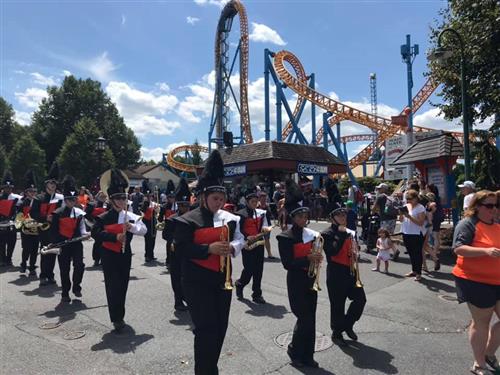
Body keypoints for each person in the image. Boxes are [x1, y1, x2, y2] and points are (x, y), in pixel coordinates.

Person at [173, 150, 244, 375]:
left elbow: (239, 239)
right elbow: (181, 250)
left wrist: (234, 247)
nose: (219, 203)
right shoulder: (186, 220)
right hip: (196, 282)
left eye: (222, 199)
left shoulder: (229, 219)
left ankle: (210, 367)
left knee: (220, 329)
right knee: (205, 330)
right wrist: (208, 249)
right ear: (203, 197)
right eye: (215, 199)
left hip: (222, 281)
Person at [91, 169, 147, 332]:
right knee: (112, 286)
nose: (122, 201)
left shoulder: (130, 215)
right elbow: (96, 233)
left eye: (124, 198)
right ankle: (116, 318)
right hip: (109, 254)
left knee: (122, 285)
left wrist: (132, 227)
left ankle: (120, 314)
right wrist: (114, 237)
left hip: (125, 255)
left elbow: (143, 230)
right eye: (119, 198)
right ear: (112, 200)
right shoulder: (104, 217)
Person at [452, 190, 500, 375]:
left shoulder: (496, 224)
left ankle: (488, 354)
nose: (494, 209)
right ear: (477, 207)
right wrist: (486, 252)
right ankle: (479, 364)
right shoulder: (468, 224)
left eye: (496, 205)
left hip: (497, 280)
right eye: (489, 206)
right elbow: (458, 249)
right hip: (474, 280)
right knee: (482, 323)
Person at [276, 179, 322, 369]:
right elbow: (287, 264)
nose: (304, 219)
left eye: (305, 215)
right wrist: (308, 259)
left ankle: (307, 354)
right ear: (293, 217)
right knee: (304, 318)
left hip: (310, 279)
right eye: (300, 216)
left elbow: (315, 255)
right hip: (295, 281)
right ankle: (295, 351)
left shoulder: (311, 235)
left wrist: (317, 258)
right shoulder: (284, 237)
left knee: (310, 319)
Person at [321, 207, 366, 347]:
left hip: (350, 271)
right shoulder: (326, 233)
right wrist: (340, 235)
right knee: (337, 305)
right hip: (336, 272)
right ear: (332, 218)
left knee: (360, 299)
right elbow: (332, 251)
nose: (343, 218)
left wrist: (355, 252)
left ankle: (347, 325)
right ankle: (337, 332)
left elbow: (352, 248)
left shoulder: (349, 232)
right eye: (339, 215)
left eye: (344, 215)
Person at [50, 175, 88, 303]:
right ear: (65, 200)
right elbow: (54, 231)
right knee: (64, 269)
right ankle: (65, 292)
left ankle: (76, 286)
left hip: (76, 243)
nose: (72, 202)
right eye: (69, 200)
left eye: (74, 199)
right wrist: (56, 244)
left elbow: (82, 227)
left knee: (79, 265)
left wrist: (85, 234)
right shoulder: (57, 213)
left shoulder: (79, 213)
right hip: (63, 244)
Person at [235, 188, 273, 304]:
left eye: (256, 201)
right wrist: (247, 237)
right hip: (247, 244)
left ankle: (257, 294)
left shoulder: (261, 213)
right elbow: (237, 230)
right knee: (249, 269)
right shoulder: (240, 214)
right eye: (252, 201)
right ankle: (240, 284)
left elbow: (266, 225)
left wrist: (266, 230)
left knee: (258, 270)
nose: (255, 203)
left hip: (259, 243)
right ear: (247, 202)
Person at [30, 162, 64, 286]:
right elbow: (33, 213)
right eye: (51, 183)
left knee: (54, 251)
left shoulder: (60, 199)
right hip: (44, 229)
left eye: (55, 183)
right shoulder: (39, 198)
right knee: (45, 251)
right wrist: (45, 217)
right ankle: (43, 275)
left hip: (56, 229)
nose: (53, 185)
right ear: (46, 184)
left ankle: (50, 275)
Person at [162, 178, 191, 311]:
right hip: (175, 251)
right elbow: (165, 235)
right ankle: (178, 301)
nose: (184, 208)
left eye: (186, 205)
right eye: (182, 205)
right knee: (176, 276)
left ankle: (188, 297)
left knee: (189, 276)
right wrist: (174, 239)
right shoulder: (171, 220)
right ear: (178, 205)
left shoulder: (195, 219)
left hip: (191, 251)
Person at [400, 189, 426, 281]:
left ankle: (418, 273)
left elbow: (421, 223)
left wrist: (409, 217)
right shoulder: (406, 206)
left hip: (416, 233)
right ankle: (414, 270)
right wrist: (401, 215)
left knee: (417, 253)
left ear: (416, 198)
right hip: (406, 232)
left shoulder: (420, 208)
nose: (408, 201)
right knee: (411, 253)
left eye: (410, 199)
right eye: (407, 199)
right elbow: (401, 220)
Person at [19, 170, 39, 276]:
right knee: (26, 248)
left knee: (35, 249)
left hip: (36, 229)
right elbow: (18, 215)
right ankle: (23, 263)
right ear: (26, 192)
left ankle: (32, 266)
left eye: (34, 191)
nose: (33, 193)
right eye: (30, 191)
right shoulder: (22, 202)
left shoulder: (38, 202)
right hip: (25, 229)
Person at [0, 170, 22, 267]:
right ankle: (2, 259)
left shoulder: (17, 198)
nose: (8, 189)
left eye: (9, 187)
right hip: (1, 224)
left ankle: (9, 259)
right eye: (6, 187)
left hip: (12, 224)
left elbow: (21, 209)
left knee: (11, 242)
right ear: (3, 188)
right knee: (1, 243)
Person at [84, 191, 108, 267]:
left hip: (106, 227)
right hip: (96, 227)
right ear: (98, 196)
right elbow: (86, 214)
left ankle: (104, 259)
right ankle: (96, 260)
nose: (103, 198)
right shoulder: (92, 204)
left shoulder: (108, 205)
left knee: (105, 244)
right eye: (101, 196)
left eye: (104, 196)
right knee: (98, 243)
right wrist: (93, 220)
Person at [159, 180, 177, 269]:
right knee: (169, 245)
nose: (172, 199)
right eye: (170, 197)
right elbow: (160, 219)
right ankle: (168, 261)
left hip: (177, 228)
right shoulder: (164, 206)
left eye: (173, 197)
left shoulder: (178, 206)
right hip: (168, 228)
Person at [141, 190, 160, 263]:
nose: (149, 198)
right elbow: (143, 210)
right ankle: (147, 255)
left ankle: (151, 255)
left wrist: (157, 209)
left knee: (153, 239)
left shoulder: (154, 204)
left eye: (150, 197)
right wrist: (146, 203)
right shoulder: (145, 204)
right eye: (148, 197)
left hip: (153, 222)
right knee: (148, 240)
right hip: (147, 223)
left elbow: (157, 212)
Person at [258, 191, 276, 259]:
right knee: (259, 240)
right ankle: (259, 254)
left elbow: (270, 215)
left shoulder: (267, 206)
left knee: (267, 239)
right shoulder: (257, 206)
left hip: (267, 225)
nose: (264, 200)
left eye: (265, 198)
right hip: (259, 225)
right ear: (259, 198)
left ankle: (269, 254)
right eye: (262, 198)